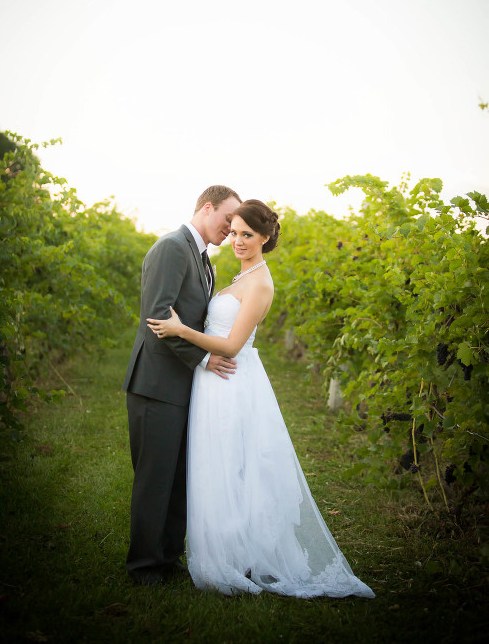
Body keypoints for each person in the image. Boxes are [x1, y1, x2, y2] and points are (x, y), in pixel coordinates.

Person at [148, 199, 375, 598]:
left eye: (246, 234)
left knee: (234, 467)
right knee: (216, 466)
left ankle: (236, 557)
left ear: (265, 237)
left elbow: (233, 346)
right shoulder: (240, 275)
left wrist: (181, 331)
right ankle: (226, 551)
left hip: (231, 383)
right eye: (233, 232)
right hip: (213, 384)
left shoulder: (260, 282)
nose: (236, 240)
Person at [123, 185, 242, 586]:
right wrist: (205, 358)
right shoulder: (172, 248)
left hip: (184, 385)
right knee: (155, 478)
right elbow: (158, 318)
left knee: (178, 476)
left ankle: (168, 557)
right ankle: (143, 567)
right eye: (228, 219)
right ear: (207, 208)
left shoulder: (204, 259)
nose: (231, 228)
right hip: (156, 383)